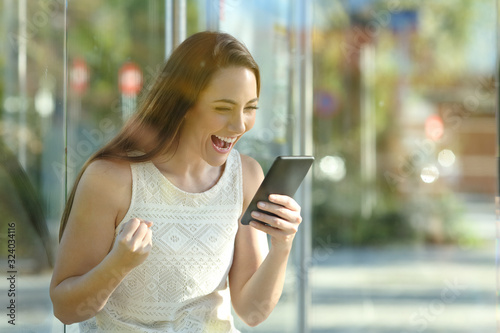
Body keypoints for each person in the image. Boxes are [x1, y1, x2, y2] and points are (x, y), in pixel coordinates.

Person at [50, 31, 303, 332]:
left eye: (250, 108)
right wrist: (117, 265)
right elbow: (65, 309)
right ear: (184, 105)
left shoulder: (246, 176)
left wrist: (282, 246)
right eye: (223, 108)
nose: (239, 125)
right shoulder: (110, 179)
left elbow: (252, 312)